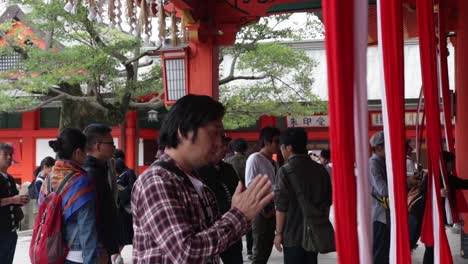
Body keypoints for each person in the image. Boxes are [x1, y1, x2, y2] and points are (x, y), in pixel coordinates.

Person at [131, 94, 274, 263]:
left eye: (222, 136)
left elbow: (210, 240)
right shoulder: (157, 181)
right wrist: (239, 215)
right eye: (214, 133)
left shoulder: (193, 178)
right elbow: (186, 252)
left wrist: (238, 212)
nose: (220, 142)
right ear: (183, 132)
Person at [274, 128, 332, 264]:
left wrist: (278, 233)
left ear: (289, 148)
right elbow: (327, 202)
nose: (281, 151)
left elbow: (281, 206)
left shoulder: (284, 171)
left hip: (292, 235)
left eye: (282, 147)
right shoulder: (320, 170)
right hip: (315, 232)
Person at [40, 128, 98, 264]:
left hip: (50, 251)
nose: (87, 155)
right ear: (78, 152)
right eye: (85, 151)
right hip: (76, 253)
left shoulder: (48, 179)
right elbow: (87, 226)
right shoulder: (81, 181)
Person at [198, 135, 243, 264]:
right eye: (221, 146)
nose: (224, 149)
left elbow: (237, 190)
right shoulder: (199, 170)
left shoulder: (228, 168)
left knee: (234, 258)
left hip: (232, 223)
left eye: (226, 146)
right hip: (211, 226)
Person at [83, 124, 121, 264]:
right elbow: (99, 215)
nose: (114, 147)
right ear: (98, 146)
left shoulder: (100, 169)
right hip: (98, 246)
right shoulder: (92, 174)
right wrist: (107, 247)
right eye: (111, 143)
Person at [245, 126, 280, 264]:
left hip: (273, 208)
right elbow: (250, 184)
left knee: (265, 249)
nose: (278, 145)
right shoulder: (255, 158)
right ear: (266, 142)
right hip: (261, 209)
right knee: (259, 251)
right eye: (276, 141)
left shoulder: (274, 162)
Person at [0, 143, 29, 264]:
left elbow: (13, 201)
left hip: (11, 231)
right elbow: (11, 199)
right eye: (5, 154)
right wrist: (13, 200)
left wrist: (20, 201)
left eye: (10, 154)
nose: (9, 157)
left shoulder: (10, 179)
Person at [225, 137, 252, 257]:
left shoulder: (227, 161)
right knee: (249, 223)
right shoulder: (249, 160)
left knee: (233, 224)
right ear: (245, 148)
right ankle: (251, 250)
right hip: (248, 195)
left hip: (232, 196)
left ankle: (236, 248)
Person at [369, 131, 390, 264]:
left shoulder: (383, 161)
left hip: (385, 214)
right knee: (379, 253)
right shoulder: (373, 164)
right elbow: (384, 190)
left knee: (384, 251)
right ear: (378, 147)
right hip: (378, 215)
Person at [114, 158, 136, 247]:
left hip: (128, 207)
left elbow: (133, 189)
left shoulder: (129, 173)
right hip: (123, 208)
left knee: (128, 230)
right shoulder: (123, 174)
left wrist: (121, 190)